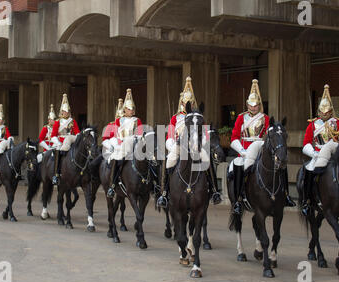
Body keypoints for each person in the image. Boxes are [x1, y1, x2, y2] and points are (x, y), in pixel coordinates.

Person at [229, 79, 295, 216]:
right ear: (247, 104)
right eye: (251, 105)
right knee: (240, 168)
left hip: (261, 148)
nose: (253, 108)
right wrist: (241, 150)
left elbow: (271, 136)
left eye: (256, 105)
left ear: (259, 105)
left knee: (281, 165)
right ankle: (239, 200)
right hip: (245, 151)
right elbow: (234, 137)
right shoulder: (241, 118)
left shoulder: (265, 118)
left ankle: (286, 195)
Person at [157, 76, 221, 209]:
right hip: (180, 145)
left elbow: (204, 134)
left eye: (191, 103)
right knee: (168, 160)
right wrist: (174, 145)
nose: (189, 105)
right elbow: (170, 135)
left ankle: (214, 191)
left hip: (196, 146)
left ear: (193, 104)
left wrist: (202, 143)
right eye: (186, 103)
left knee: (207, 160)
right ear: (182, 103)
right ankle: (164, 192)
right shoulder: (175, 118)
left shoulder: (197, 116)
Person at [301, 84, 339, 215]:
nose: (325, 115)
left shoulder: (338, 123)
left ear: (331, 111)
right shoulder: (312, 125)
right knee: (308, 171)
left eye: (327, 113)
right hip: (318, 154)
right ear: (318, 111)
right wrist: (313, 153)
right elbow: (306, 143)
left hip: (335, 152)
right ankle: (307, 201)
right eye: (322, 112)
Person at [106, 89, 143, 198]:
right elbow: (116, 134)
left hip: (135, 144)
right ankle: (112, 186)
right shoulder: (119, 121)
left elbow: (140, 133)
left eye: (132, 109)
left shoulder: (137, 120)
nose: (131, 111)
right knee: (117, 159)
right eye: (128, 109)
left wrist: (137, 139)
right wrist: (119, 143)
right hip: (122, 144)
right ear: (124, 109)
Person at [50, 94, 80, 185]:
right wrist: (58, 143)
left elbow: (77, 132)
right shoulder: (57, 122)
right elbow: (53, 135)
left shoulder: (72, 121)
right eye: (64, 111)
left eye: (67, 111)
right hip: (60, 142)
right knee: (58, 151)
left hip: (70, 140)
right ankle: (56, 174)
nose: (66, 113)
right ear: (61, 111)